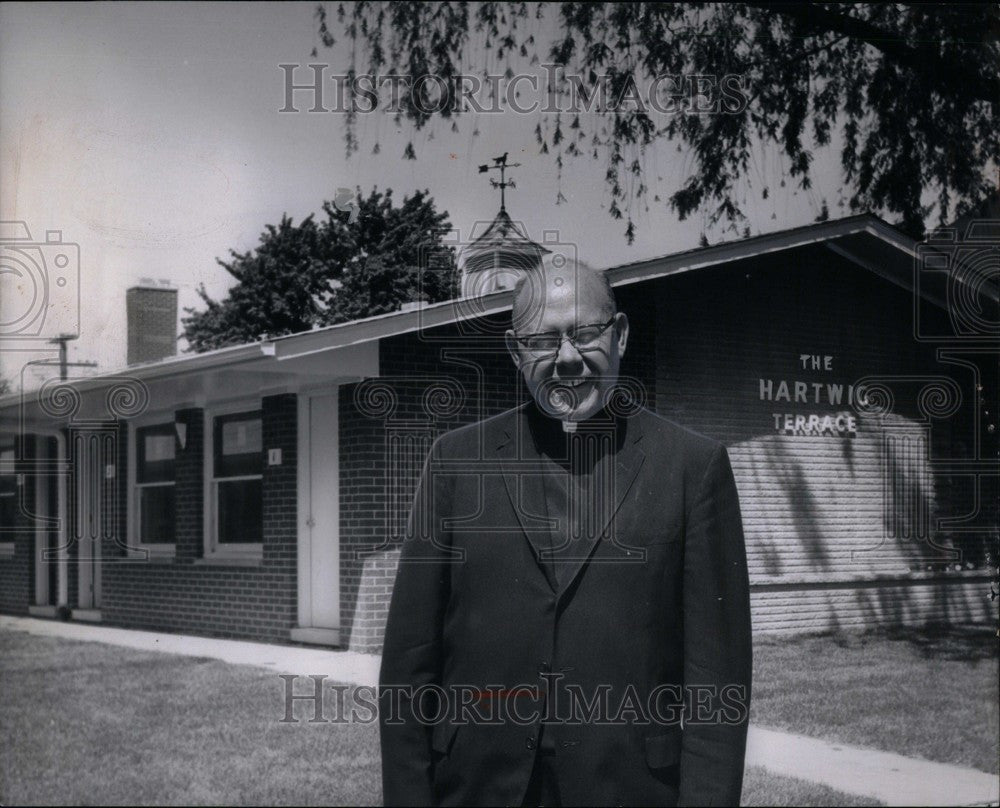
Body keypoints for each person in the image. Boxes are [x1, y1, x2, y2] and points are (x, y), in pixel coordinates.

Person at [379, 261, 752, 807]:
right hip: (477, 789)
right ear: (514, 352)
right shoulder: (456, 463)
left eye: (585, 333)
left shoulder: (693, 468)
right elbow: (409, 664)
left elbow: (718, 685)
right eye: (542, 340)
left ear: (620, 334)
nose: (568, 359)